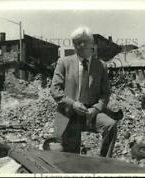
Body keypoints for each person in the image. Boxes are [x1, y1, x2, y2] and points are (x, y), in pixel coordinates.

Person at [50, 26, 117, 158]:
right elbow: (55, 89)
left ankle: (104, 163)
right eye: (76, 42)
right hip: (70, 114)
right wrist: (73, 104)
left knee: (111, 126)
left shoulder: (101, 66)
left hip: (91, 113)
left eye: (84, 41)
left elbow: (105, 94)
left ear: (92, 43)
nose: (80, 45)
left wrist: (96, 109)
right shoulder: (64, 63)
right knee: (72, 157)